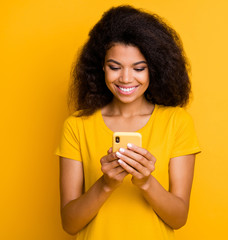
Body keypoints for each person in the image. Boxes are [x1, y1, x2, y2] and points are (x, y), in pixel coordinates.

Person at [55, 5, 201, 240]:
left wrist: (145, 182)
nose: (125, 78)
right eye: (115, 67)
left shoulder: (177, 122)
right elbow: (70, 223)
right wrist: (105, 184)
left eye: (139, 68)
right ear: (101, 66)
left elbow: (178, 218)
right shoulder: (77, 125)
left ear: (154, 69)